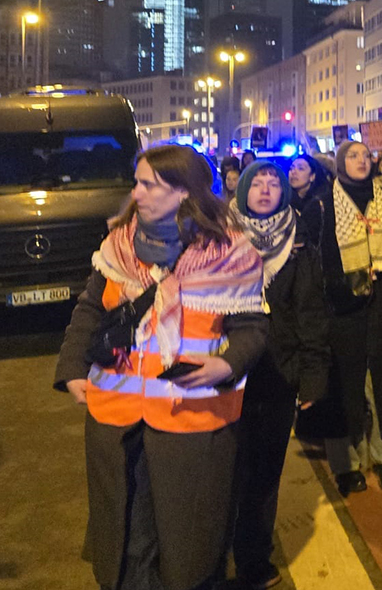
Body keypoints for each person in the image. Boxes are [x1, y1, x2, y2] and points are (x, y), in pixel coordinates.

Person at [54, 145, 267, 590]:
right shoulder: (117, 245)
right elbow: (91, 309)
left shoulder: (232, 251)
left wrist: (225, 365)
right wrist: (73, 367)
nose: (137, 191)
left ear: (183, 192)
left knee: (188, 547)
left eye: (149, 183)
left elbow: (253, 328)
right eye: (138, 181)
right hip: (116, 419)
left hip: (192, 421)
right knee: (128, 539)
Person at [229, 161, 329, 590]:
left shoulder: (300, 239)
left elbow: (310, 309)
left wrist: (313, 374)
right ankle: (207, 558)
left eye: (274, 182)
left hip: (278, 372)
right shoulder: (220, 235)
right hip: (226, 372)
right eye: (258, 183)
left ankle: (253, 559)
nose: (267, 189)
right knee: (223, 471)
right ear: (243, 191)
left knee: (265, 473)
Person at [316, 140, 382, 495]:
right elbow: (318, 259)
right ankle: (346, 463)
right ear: (339, 163)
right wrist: (345, 283)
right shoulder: (324, 204)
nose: (361, 161)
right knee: (344, 386)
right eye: (353, 156)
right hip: (342, 308)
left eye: (365, 156)